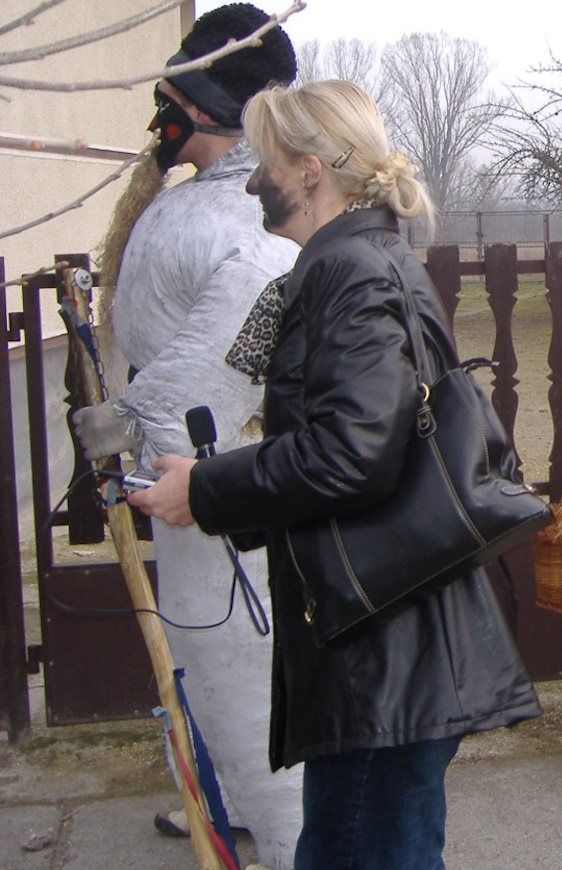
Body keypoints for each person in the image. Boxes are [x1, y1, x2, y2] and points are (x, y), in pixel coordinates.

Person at [128, 79, 541, 868]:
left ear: (311, 170)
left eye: (269, 160)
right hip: (392, 643)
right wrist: (213, 491)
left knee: (358, 851)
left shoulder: (347, 269)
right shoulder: (369, 257)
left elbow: (353, 452)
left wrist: (207, 489)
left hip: (381, 652)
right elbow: (358, 441)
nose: (254, 180)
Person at [70, 5, 302, 865]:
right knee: (209, 665)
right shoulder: (208, 207)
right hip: (189, 487)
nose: (158, 114)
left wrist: (134, 420)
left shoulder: (253, 222)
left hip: (228, 487)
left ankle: (288, 845)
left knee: (248, 675)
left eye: (171, 94)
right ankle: (234, 804)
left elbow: (238, 344)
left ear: (203, 105)